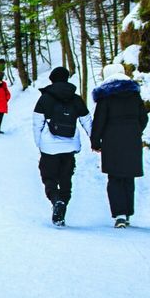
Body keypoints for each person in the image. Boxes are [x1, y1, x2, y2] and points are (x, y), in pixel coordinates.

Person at [33, 66, 92, 227]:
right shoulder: (76, 98)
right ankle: (61, 208)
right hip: (70, 145)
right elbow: (86, 120)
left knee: (49, 178)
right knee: (66, 179)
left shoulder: (45, 98)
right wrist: (95, 140)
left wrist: (39, 143)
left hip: (49, 147)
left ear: (52, 79)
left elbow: (37, 122)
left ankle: (56, 200)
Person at [90, 63, 148, 228]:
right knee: (129, 177)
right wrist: (136, 131)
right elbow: (143, 118)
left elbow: (99, 121)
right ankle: (128, 212)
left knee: (114, 177)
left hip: (112, 141)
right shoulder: (134, 96)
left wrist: (96, 141)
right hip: (132, 141)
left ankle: (119, 214)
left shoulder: (105, 97)